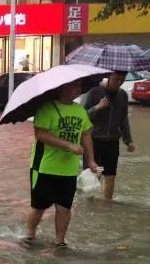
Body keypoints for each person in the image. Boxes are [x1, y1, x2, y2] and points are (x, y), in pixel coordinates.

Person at [25, 81, 98, 247]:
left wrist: (91, 160)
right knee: (39, 207)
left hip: (69, 169)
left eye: (80, 86)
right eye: (74, 86)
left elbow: (86, 135)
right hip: (44, 166)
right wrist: (68, 145)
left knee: (64, 208)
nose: (78, 89)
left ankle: (59, 241)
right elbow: (40, 134)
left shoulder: (80, 110)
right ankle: (29, 235)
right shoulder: (47, 108)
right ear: (62, 88)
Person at [83, 72, 135, 200]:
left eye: (122, 79)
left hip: (112, 141)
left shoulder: (122, 95)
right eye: (116, 79)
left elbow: (123, 120)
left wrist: (128, 140)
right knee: (94, 174)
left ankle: (107, 207)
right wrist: (98, 107)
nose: (119, 82)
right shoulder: (94, 93)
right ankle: (88, 205)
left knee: (110, 176)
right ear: (109, 77)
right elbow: (82, 117)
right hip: (93, 141)